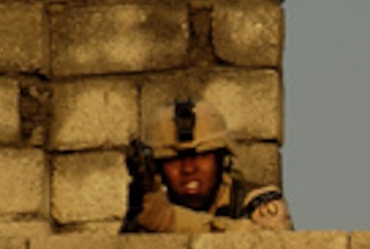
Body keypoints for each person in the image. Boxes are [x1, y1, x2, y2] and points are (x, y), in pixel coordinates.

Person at [122, 98, 292, 233]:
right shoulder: (151, 209)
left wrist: (170, 220)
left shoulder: (257, 201)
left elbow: (273, 248)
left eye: (201, 156)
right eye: (174, 160)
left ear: (222, 160)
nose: (188, 169)